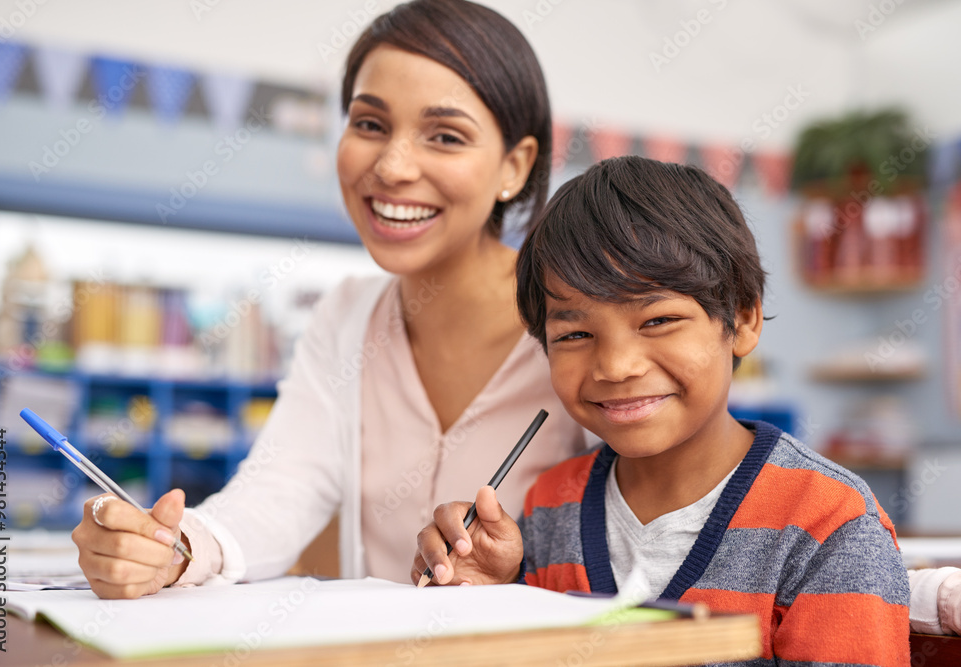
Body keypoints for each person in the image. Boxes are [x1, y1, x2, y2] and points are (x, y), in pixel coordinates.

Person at [71, 0, 586, 598]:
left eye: (445, 136)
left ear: (515, 165)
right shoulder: (348, 317)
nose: (392, 167)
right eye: (369, 124)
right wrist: (173, 549)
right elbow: (276, 494)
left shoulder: (579, 321)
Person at [413, 156, 912, 662]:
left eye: (658, 321)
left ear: (741, 321)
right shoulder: (549, 508)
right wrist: (489, 604)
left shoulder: (830, 524)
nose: (616, 366)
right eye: (576, 334)